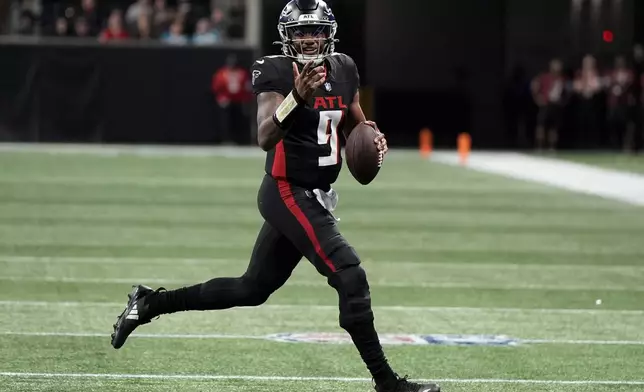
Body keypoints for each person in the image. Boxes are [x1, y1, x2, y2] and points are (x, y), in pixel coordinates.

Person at [110, 1, 440, 391]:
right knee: (350, 275)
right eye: (301, 31)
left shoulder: (345, 68)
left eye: (316, 30)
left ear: (328, 32)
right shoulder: (276, 70)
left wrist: (373, 138)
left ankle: (149, 304)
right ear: (287, 35)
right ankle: (387, 383)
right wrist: (296, 96)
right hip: (286, 190)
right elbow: (265, 134)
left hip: (317, 194)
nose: (309, 39)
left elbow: (356, 125)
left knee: (251, 288)